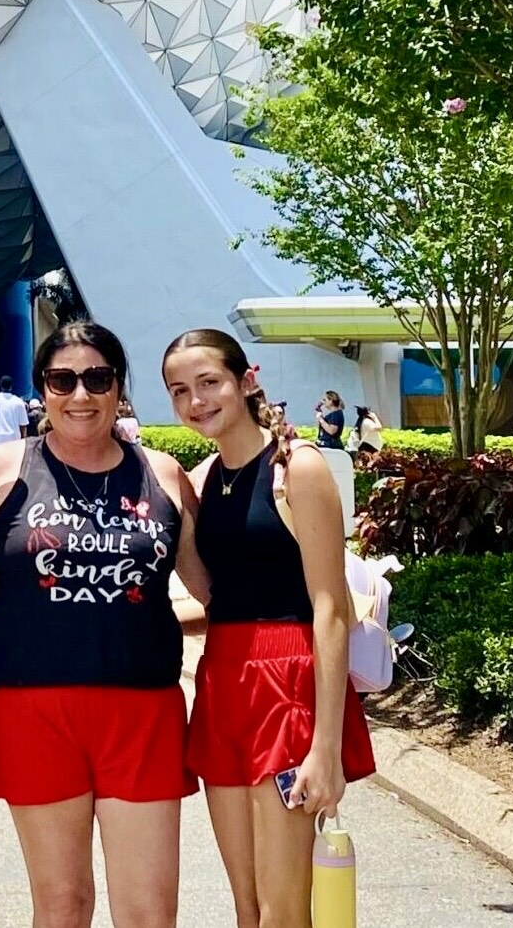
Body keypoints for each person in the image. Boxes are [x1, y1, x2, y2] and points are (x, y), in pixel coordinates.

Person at [0, 322, 211, 928]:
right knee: (62, 904)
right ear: (41, 389)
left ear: (118, 388)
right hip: (30, 708)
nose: (81, 394)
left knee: (149, 912)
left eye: (97, 378)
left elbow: (218, 592)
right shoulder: (0, 471)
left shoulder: (164, 476)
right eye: (62, 379)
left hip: (142, 710)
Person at [162, 330, 375, 928]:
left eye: (209, 383)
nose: (196, 401)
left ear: (245, 379)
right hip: (223, 682)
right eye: (180, 390)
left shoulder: (297, 468)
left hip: (288, 687)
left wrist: (325, 749)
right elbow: (227, 597)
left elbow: (329, 608)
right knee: (248, 907)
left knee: (285, 910)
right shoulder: (201, 479)